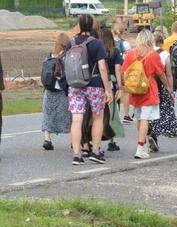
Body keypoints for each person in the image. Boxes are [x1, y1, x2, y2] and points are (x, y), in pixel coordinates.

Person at [67, 15, 113, 165]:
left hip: (75, 85)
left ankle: (76, 154)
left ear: (79, 25)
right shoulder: (97, 43)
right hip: (94, 84)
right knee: (97, 117)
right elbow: (102, 68)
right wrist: (108, 89)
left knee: (76, 119)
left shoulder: (71, 42)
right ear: (92, 26)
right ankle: (96, 150)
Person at [122, 29, 173, 159]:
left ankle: (143, 144)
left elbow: (125, 72)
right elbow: (161, 74)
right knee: (145, 118)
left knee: (139, 118)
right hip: (148, 89)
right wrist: (168, 88)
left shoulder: (130, 54)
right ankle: (140, 147)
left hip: (135, 89)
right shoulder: (153, 55)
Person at [148, 31, 177, 151]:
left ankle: (149, 133)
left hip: (148, 85)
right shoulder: (165, 54)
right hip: (160, 85)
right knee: (160, 111)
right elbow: (169, 74)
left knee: (148, 111)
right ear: (162, 42)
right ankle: (155, 136)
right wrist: (170, 89)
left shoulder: (147, 51)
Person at [41, 32, 72, 150]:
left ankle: (47, 139)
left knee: (48, 115)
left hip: (48, 90)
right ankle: (73, 140)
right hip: (62, 91)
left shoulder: (48, 57)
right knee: (70, 116)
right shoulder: (66, 56)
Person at [99, 28, 122, 152]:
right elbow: (118, 70)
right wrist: (120, 86)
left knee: (99, 113)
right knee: (112, 113)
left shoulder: (97, 51)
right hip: (112, 85)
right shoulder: (115, 51)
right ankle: (111, 141)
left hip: (100, 84)